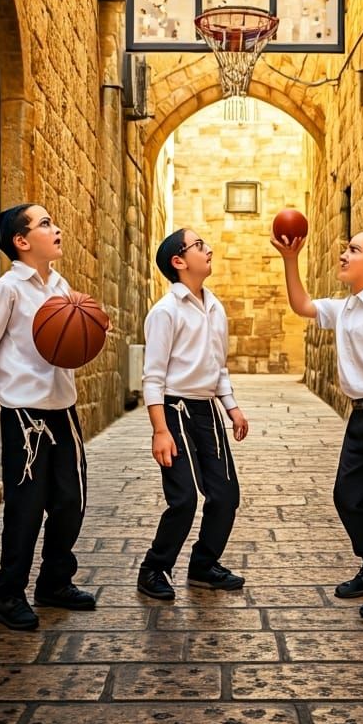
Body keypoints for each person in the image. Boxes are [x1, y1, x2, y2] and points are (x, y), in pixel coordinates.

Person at [0, 203, 96, 631]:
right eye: (45, 224)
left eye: (53, 221)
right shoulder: (7, 290)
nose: (56, 229)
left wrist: (93, 330)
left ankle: (55, 582)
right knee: (25, 510)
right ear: (21, 242)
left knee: (71, 503)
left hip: (63, 412)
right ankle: (8, 594)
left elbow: (68, 345)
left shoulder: (61, 286)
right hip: (22, 418)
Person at [272, 227, 363, 619]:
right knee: (346, 495)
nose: (343, 254)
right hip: (359, 415)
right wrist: (291, 259)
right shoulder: (347, 307)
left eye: (353, 250)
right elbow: (302, 304)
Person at [136, 228, 250, 601]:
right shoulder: (165, 312)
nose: (209, 248)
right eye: (200, 245)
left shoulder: (215, 307)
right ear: (179, 261)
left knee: (225, 494)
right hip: (174, 410)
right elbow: (152, 376)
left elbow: (218, 367)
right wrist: (160, 430)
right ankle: (154, 567)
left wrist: (231, 408)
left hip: (207, 411)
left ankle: (204, 564)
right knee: (183, 498)